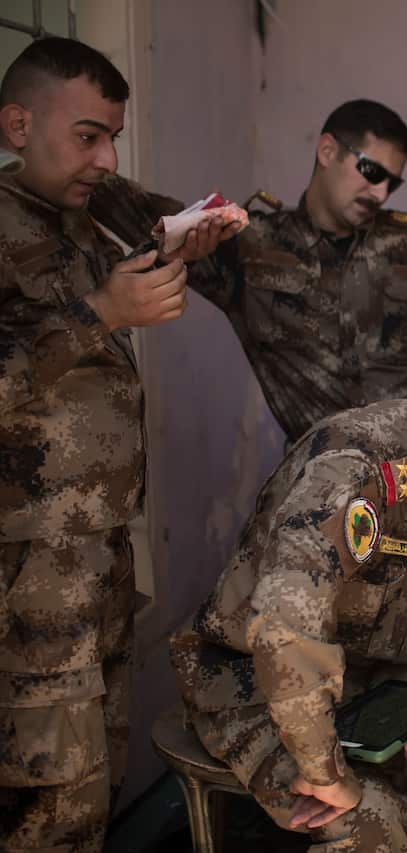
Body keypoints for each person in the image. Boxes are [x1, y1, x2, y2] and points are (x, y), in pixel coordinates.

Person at [169, 334, 407, 852]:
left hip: (393, 679)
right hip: (255, 682)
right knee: (371, 822)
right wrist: (321, 768)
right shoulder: (358, 465)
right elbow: (286, 626)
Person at [0, 37, 233, 852]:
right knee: (46, 810)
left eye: (113, 138)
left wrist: (172, 255)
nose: (106, 158)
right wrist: (101, 311)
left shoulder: (81, 222)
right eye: (88, 135)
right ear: (17, 124)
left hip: (96, 566)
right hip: (26, 582)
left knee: (88, 795)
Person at [176, 99, 407, 444]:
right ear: (327, 151)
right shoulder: (253, 247)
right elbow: (158, 234)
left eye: (393, 183)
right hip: (317, 475)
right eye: (373, 173)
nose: (381, 193)